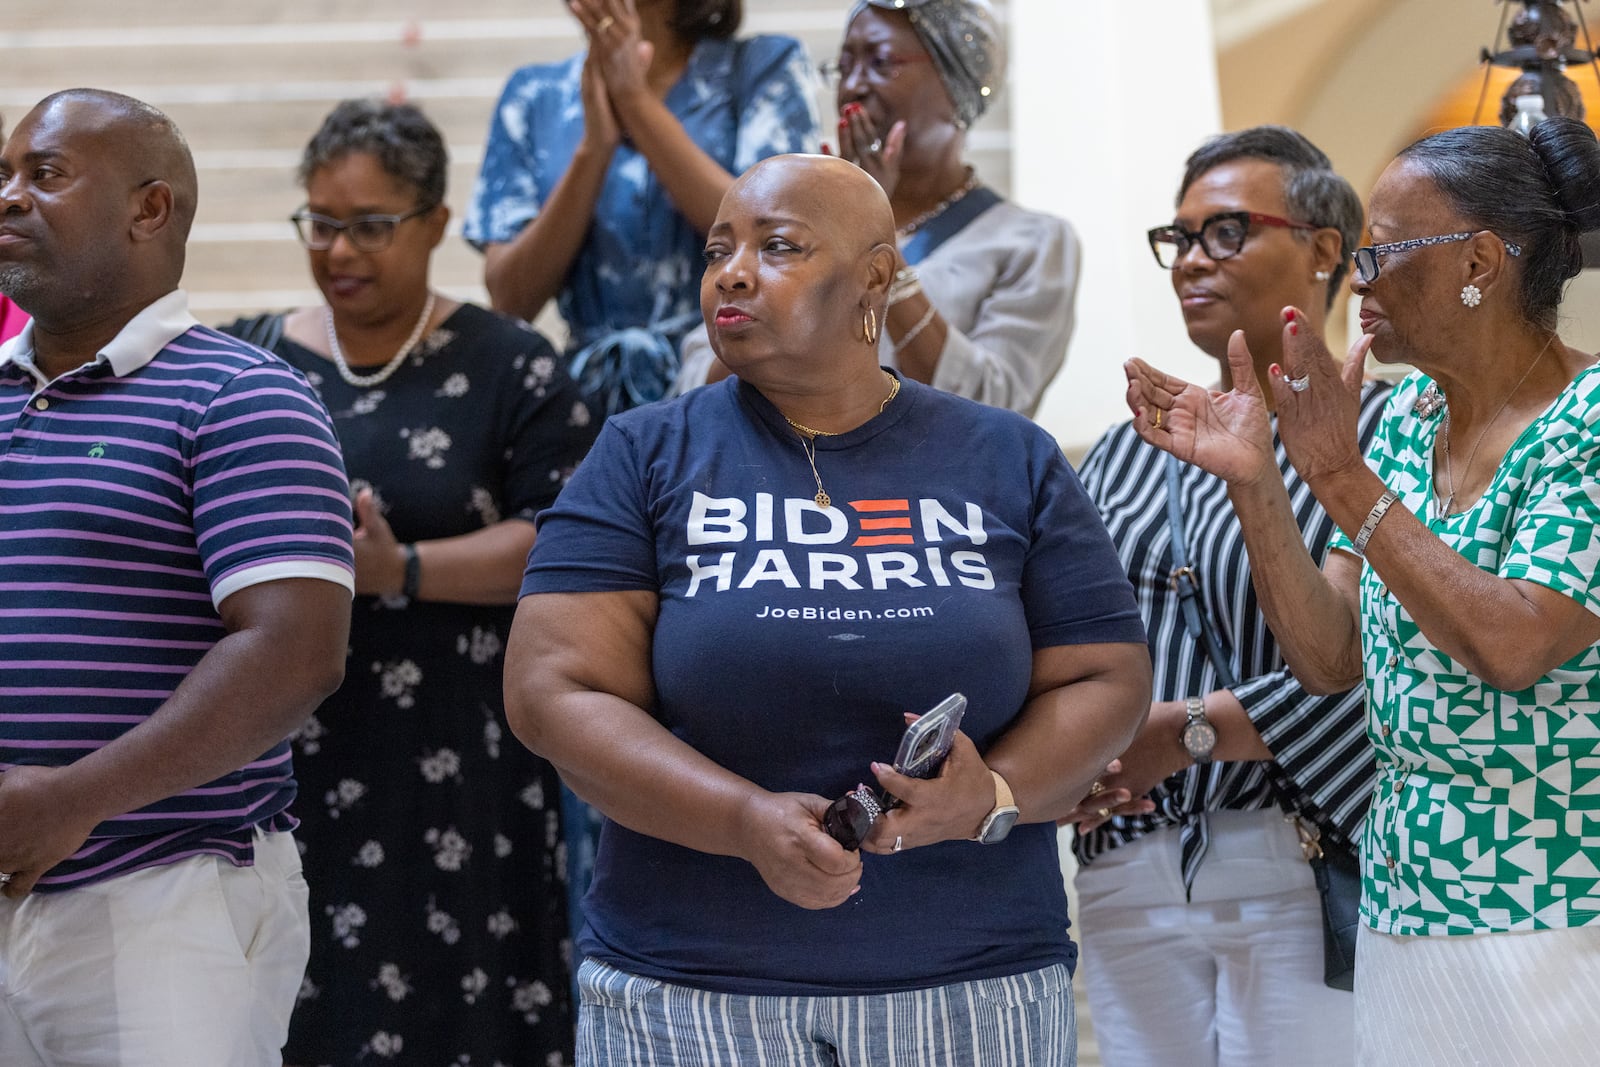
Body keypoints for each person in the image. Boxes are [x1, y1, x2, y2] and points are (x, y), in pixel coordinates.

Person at [503, 153, 1152, 1066]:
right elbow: (553, 688)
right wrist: (741, 820)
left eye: (779, 247)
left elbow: (1105, 673)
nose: (731, 271)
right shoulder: (643, 452)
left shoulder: (1009, 456)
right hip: (688, 992)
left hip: (970, 986)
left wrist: (989, 795)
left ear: (875, 278)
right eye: (719, 249)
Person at [1125, 117, 1600, 1066]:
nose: (1363, 279)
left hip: (1554, 899)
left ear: (1479, 260)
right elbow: (1329, 654)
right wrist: (1257, 476)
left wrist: (1339, 475)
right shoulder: (1410, 424)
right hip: (1403, 896)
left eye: (1388, 253)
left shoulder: (1585, 424)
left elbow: (1514, 643)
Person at [221, 99, 597, 1066]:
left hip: (462, 755)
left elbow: (565, 542)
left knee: (467, 1006)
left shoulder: (515, 366)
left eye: (372, 225)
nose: (341, 250)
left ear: (436, 222)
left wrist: (403, 568)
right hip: (286, 752)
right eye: (322, 222)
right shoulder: (247, 359)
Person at [0, 89, 354, 1065]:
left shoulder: (242, 395)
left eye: (46, 174)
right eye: (3, 173)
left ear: (148, 210)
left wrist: (71, 800)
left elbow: (295, 653)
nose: (9, 196)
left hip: (159, 897)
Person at [1063, 126, 1386, 1067]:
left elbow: (1389, 650)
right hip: (1127, 858)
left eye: (1227, 231)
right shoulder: (1125, 447)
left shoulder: (1390, 423)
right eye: (1180, 238)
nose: (1191, 261)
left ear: (1325, 249)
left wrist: (1192, 731)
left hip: (1301, 851)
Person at [677, 0, 1076, 417]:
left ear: (957, 82)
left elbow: (995, 407)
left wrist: (871, 229)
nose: (853, 85)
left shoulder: (1031, 243)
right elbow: (695, 384)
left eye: (881, 63)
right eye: (844, 65)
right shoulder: (791, 220)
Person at [466, 0, 819, 417]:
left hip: (729, 381)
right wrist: (594, 148)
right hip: (585, 403)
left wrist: (634, 101)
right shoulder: (533, 94)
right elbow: (510, 299)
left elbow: (771, 241)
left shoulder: (762, 65)